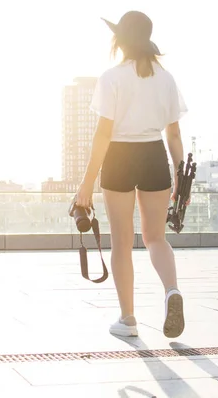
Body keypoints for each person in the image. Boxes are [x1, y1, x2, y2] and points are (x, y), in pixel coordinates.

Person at [75, 11, 188, 338]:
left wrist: (86, 183)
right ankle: (172, 291)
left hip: (120, 157)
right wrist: (180, 178)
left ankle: (128, 320)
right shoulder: (165, 78)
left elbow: (103, 135)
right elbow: (175, 135)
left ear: (120, 39)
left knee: (122, 243)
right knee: (156, 238)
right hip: (154, 154)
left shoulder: (111, 77)